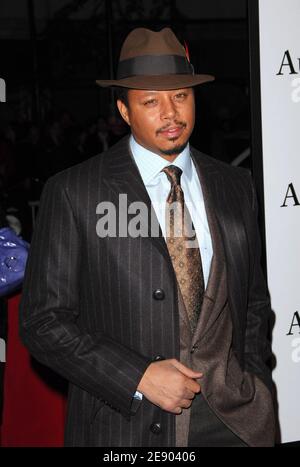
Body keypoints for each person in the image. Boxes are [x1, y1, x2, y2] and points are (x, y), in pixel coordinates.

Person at [19, 27, 275, 447]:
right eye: (150, 102)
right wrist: (137, 376)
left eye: (181, 96)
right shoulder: (75, 191)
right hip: (130, 426)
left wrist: (254, 382)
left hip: (237, 422)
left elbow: (252, 304)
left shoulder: (235, 184)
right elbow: (43, 322)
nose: (171, 114)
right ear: (123, 110)